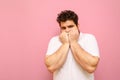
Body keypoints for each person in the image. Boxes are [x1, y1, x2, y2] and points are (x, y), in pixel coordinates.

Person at [45, 10, 100, 80]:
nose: (67, 30)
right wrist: (65, 43)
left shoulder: (89, 38)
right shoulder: (54, 40)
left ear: (77, 26)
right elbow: (50, 67)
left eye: (70, 26)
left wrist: (73, 42)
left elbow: (91, 67)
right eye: (63, 28)